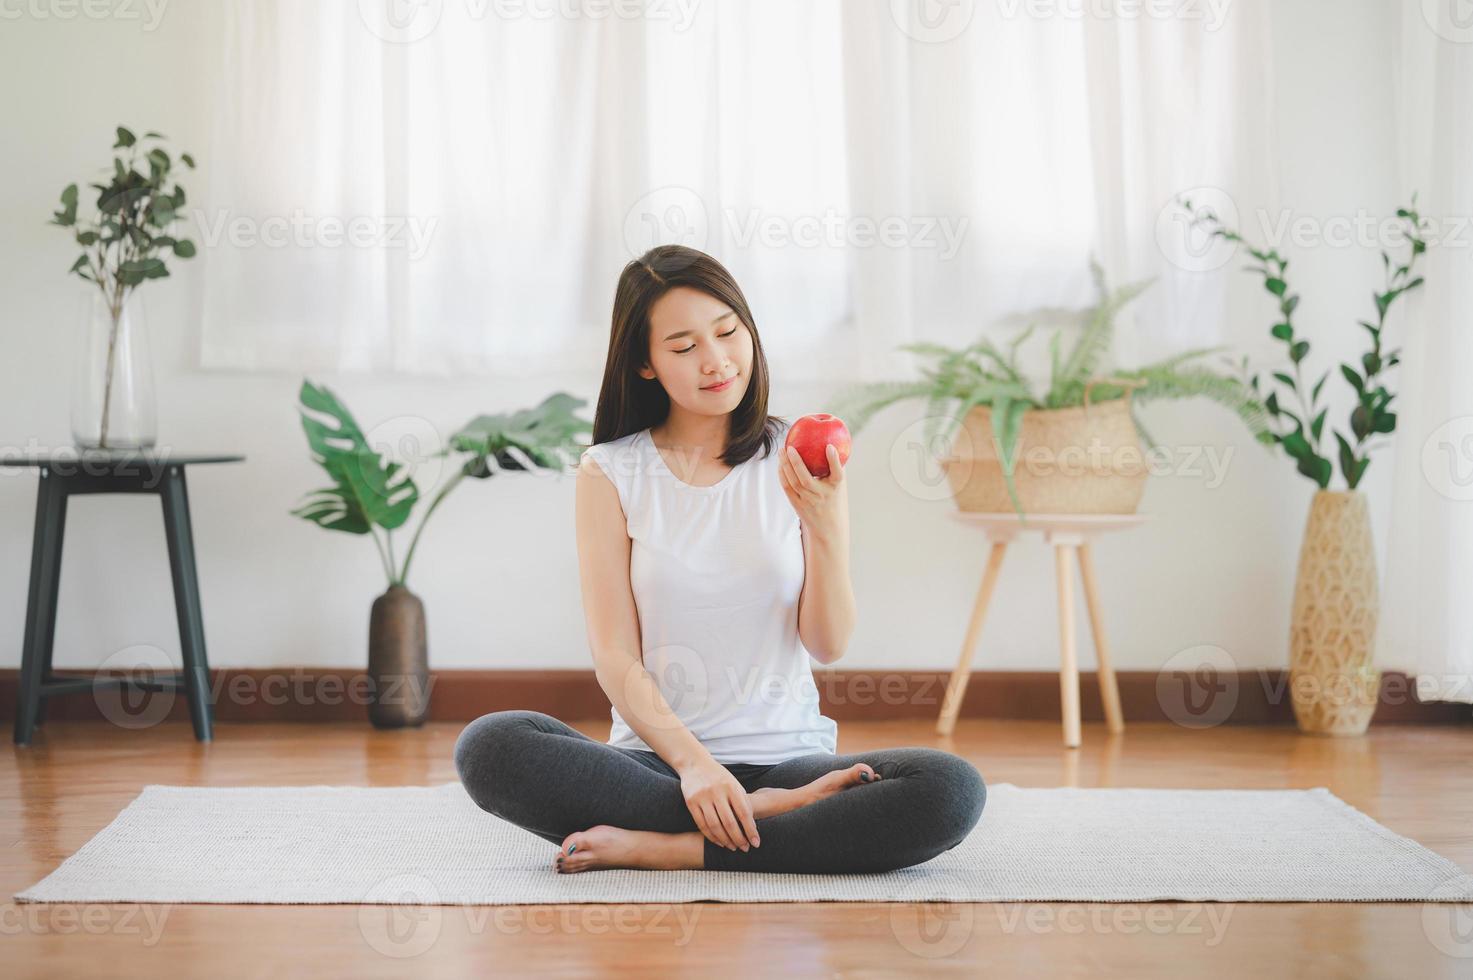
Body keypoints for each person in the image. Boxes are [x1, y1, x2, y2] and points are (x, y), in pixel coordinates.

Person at [454, 244, 986, 874]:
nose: (716, 361)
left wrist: (825, 527)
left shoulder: (797, 452)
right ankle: (765, 818)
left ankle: (678, 847)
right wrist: (698, 768)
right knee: (489, 746)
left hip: (790, 760)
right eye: (683, 347)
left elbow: (829, 642)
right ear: (645, 365)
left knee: (949, 789)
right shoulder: (611, 472)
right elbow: (615, 656)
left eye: (728, 332)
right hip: (659, 764)